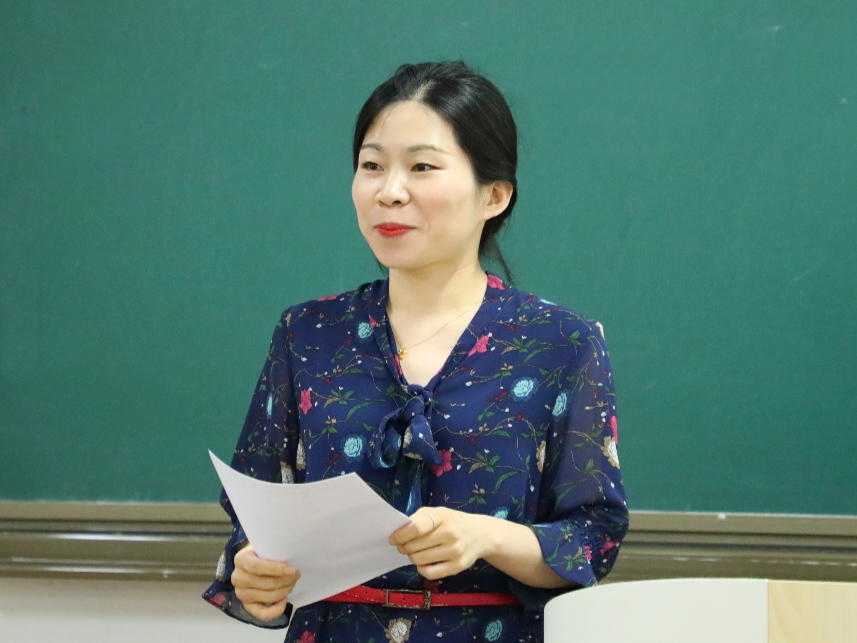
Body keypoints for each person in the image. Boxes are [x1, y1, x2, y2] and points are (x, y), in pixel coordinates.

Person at [203, 61, 628, 643]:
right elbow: (255, 521)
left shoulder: (561, 343)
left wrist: (487, 537)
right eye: (371, 166)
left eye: (422, 167)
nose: (389, 191)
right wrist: (254, 574)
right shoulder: (308, 332)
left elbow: (591, 539)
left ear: (494, 195)